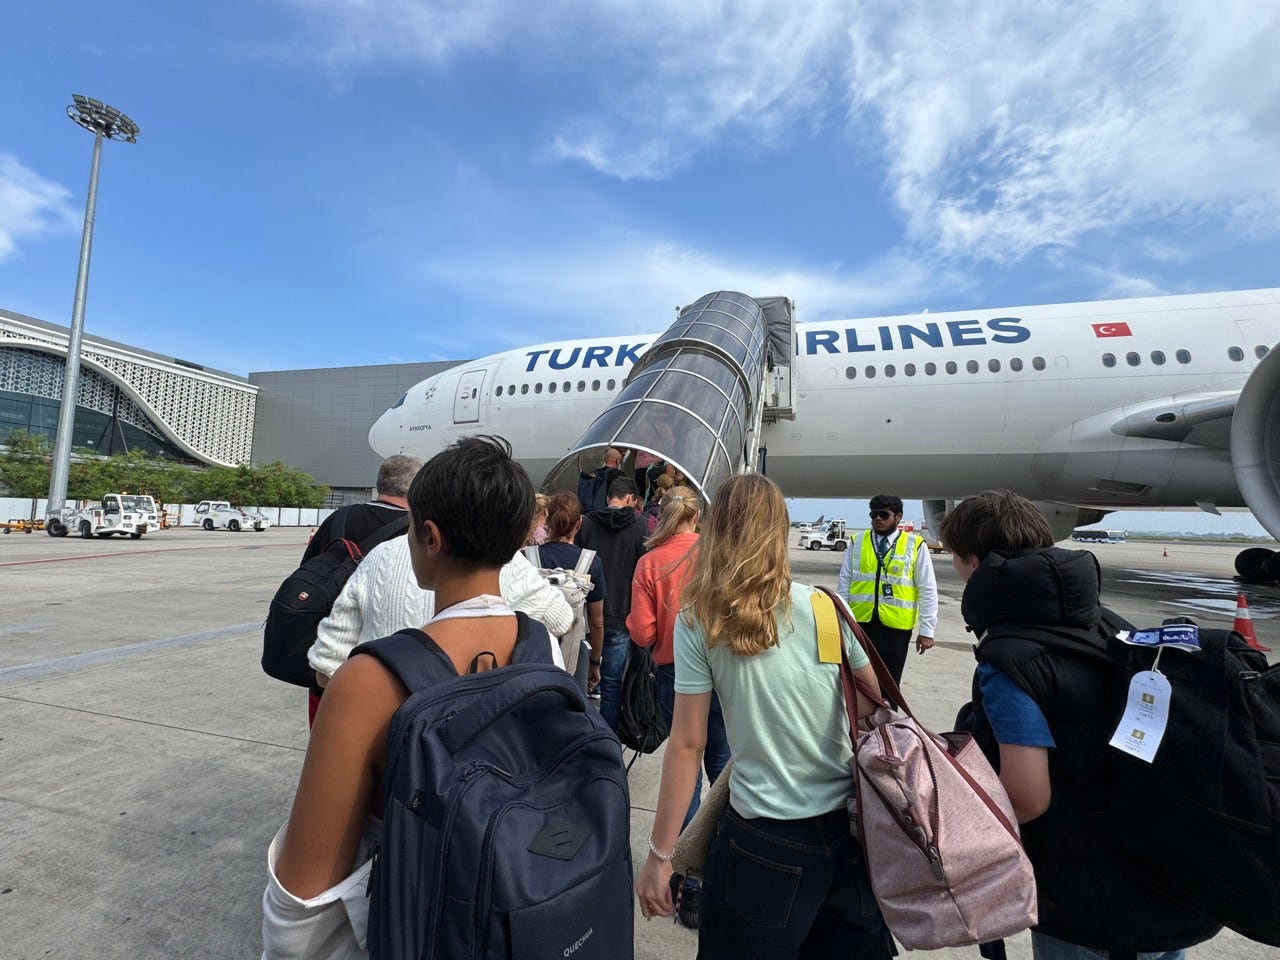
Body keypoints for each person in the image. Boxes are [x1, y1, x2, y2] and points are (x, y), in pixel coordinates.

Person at [264, 436, 558, 955]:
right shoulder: (546, 653)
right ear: (516, 542)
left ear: (429, 536)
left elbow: (301, 906)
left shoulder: (370, 679)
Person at [938, 490, 1220, 960]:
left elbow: (1028, 797)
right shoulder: (1109, 626)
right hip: (1166, 875)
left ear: (972, 563)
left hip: (1087, 899)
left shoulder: (1009, 659)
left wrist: (950, 822)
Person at [635, 474, 892, 959]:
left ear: (715, 530)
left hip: (764, 842)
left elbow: (688, 745)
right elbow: (874, 705)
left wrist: (660, 856)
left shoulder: (700, 620)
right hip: (846, 835)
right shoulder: (823, 606)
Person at [307, 535, 573, 687]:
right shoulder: (512, 563)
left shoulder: (381, 555)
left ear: (429, 533)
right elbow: (562, 619)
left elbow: (327, 667)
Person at [626, 485, 728, 829]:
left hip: (675, 674)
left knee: (685, 766)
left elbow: (642, 633)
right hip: (721, 671)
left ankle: (683, 864)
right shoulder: (718, 555)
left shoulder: (649, 563)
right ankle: (719, 850)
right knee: (722, 763)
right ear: (696, 516)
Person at [837, 493, 937, 685]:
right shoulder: (858, 541)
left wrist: (927, 630)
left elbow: (927, 589)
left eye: (883, 515)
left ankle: (889, 715)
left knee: (890, 684)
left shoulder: (914, 545)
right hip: (861, 623)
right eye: (873, 515)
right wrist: (841, 620)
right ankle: (862, 716)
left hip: (896, 628)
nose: (877, 519)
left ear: (898, 516)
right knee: (859, 682)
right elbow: (845, 582)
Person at [575, 476, 647, 727]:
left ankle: (581, 733)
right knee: (612, 683)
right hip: (620, 613)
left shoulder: (586, 525)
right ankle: (607, 738)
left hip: (586, 614)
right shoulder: (641, 527)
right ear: (630, 499)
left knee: (580, 680)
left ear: (608, 498)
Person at [537, 492, 608, 694]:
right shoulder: (591, 562)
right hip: (574, 654)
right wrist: (595, 661)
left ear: (547, 519)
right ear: (579, 524)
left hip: (536, 651)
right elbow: (597, 622)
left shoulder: (528, 557)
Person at [299, 454, 420, 564]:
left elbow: (308, 567)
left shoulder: (339, 517)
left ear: (379, 481)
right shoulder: (417, 529)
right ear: (416, 486)